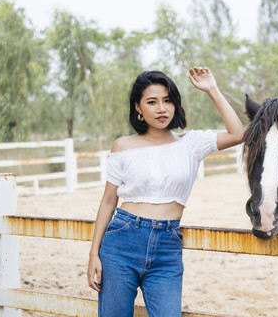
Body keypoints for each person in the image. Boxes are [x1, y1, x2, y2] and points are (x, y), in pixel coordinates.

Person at [87, 67, 244, 316]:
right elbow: (108, 201)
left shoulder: (191, 144)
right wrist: (93, 253)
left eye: (168, 100)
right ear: (138, 107)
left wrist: (212, 89)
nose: (162, 108)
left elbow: (238, 134)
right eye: (152, 102)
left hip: (167, 247)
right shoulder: (123, 146)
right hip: (121, 242)